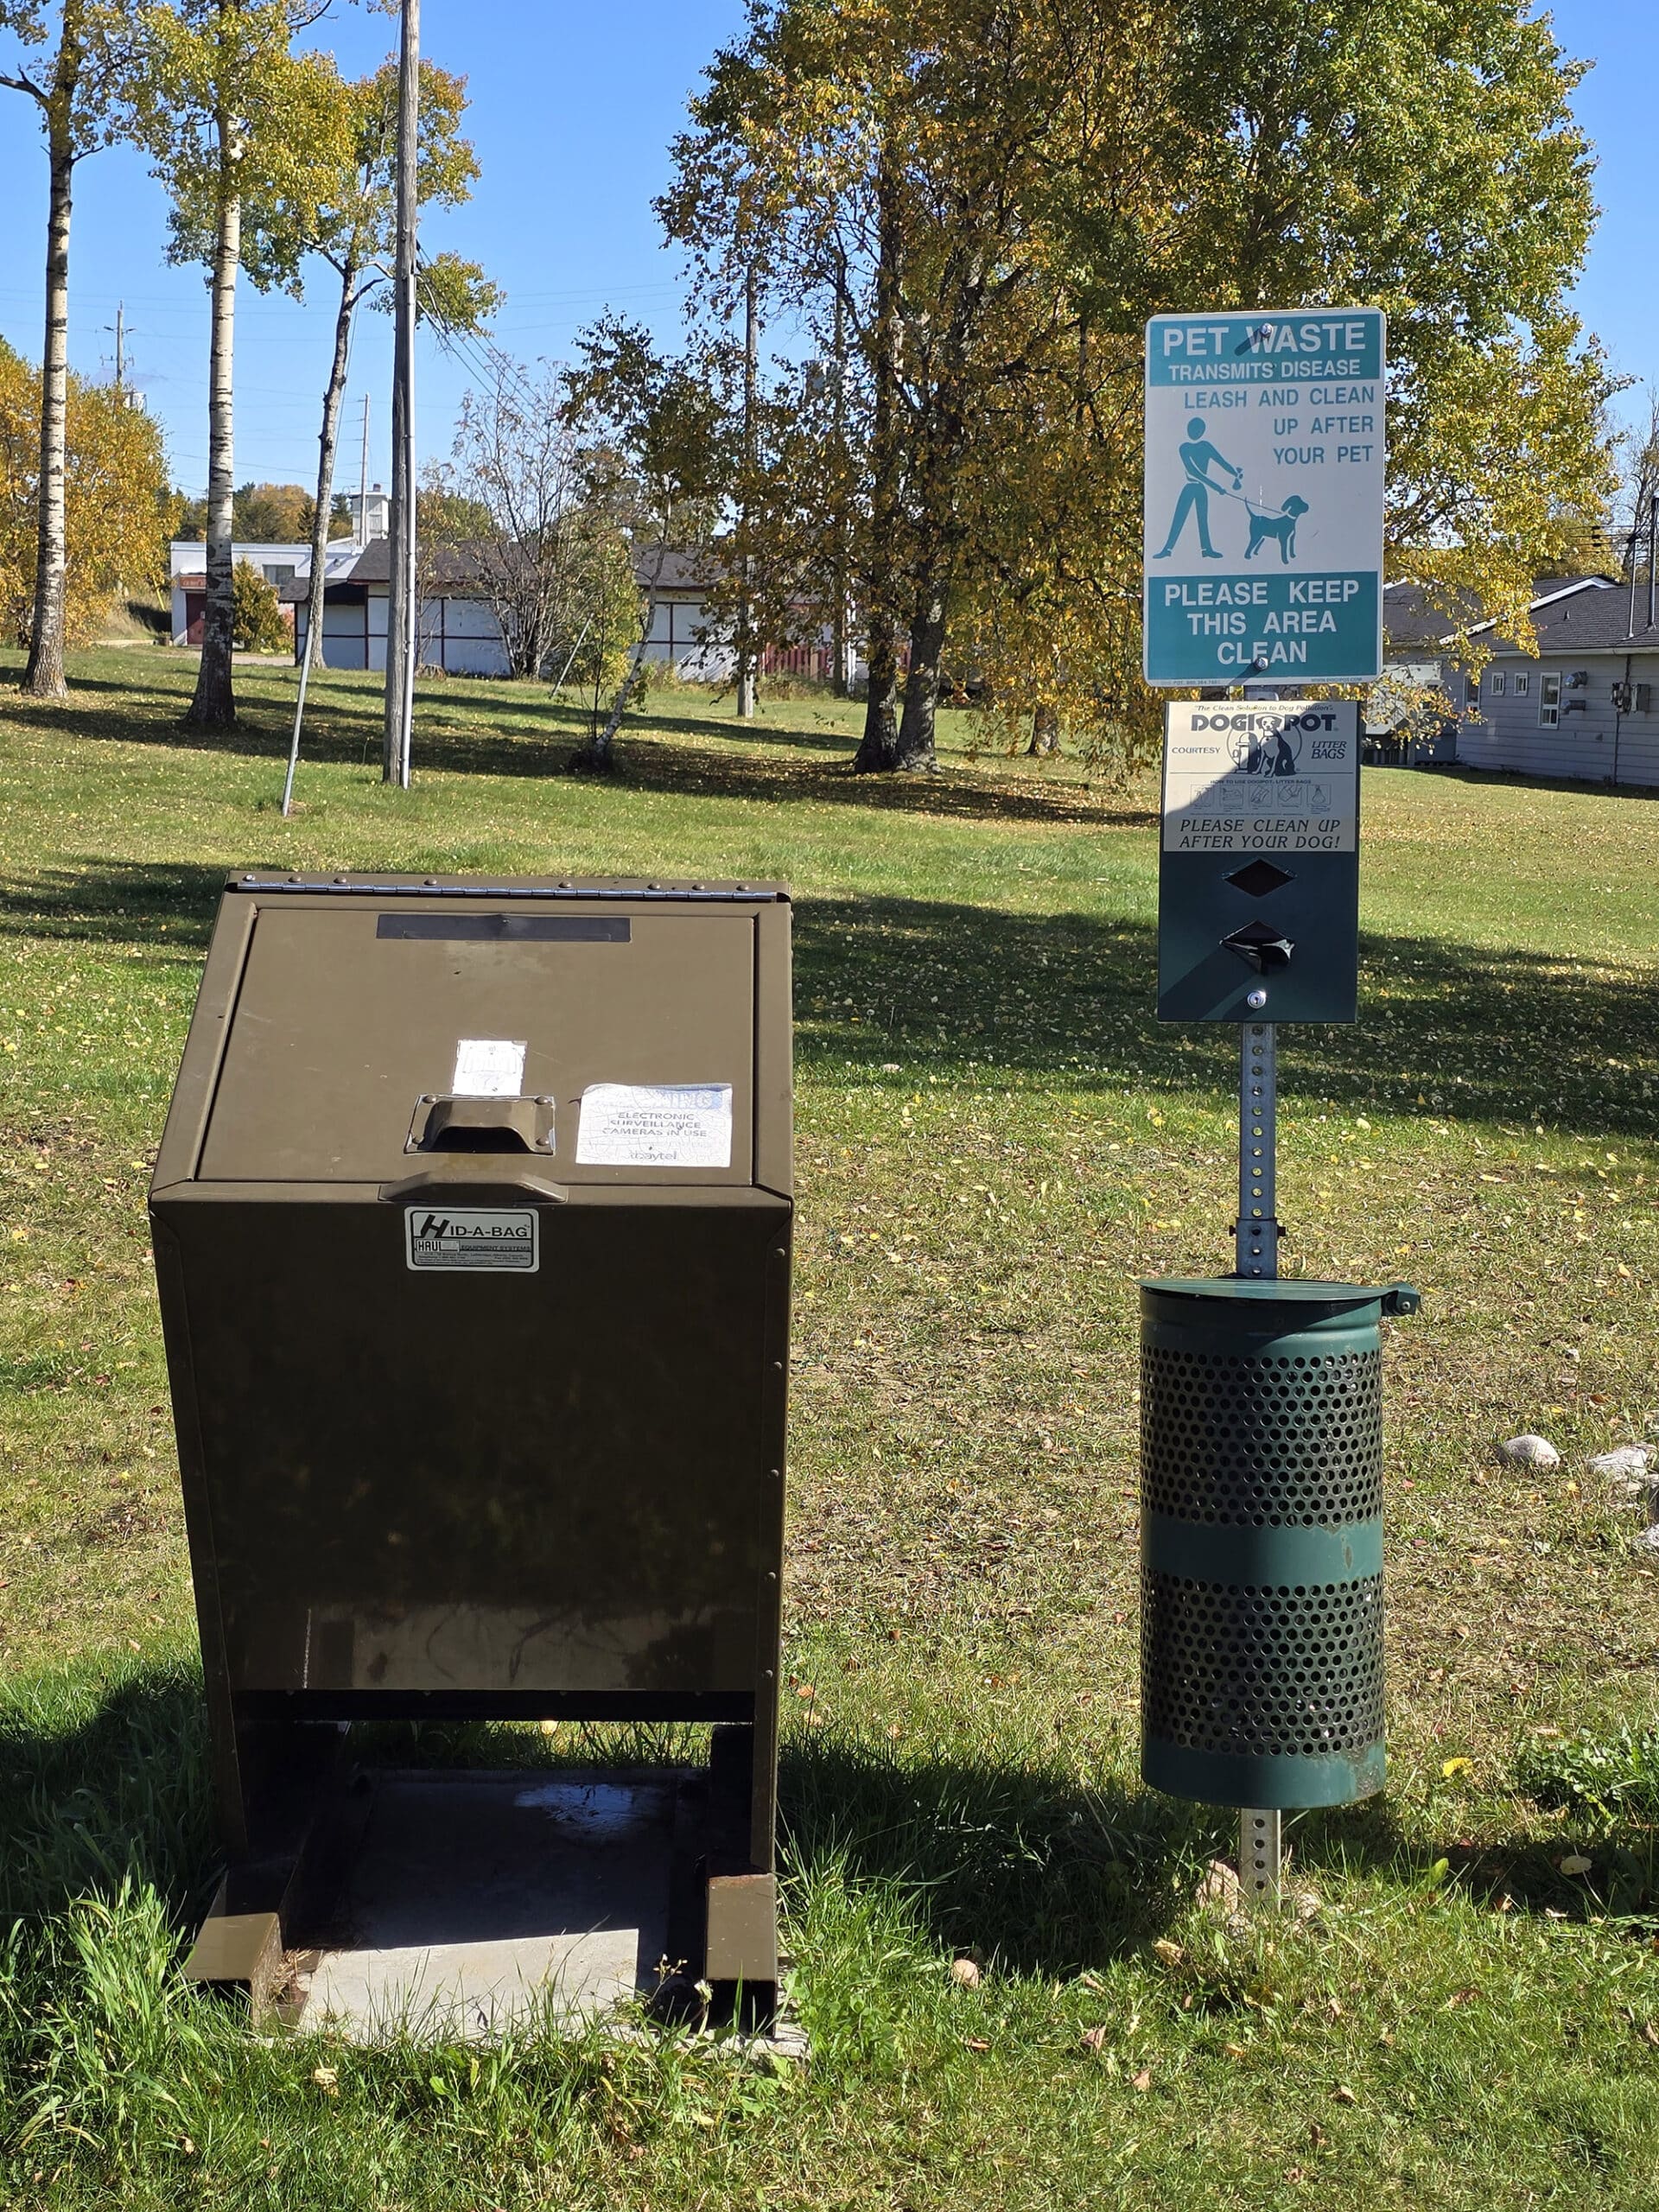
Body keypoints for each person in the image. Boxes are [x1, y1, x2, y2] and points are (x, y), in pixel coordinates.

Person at [1154, 419, 1243, 559]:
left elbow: (1222, 462)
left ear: (1202, 432)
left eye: (1197, 430)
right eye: (1192, 428)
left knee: (1202, 519)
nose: (1194, 432)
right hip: (1189, 487)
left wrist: (1235, 473)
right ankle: (1167, 549)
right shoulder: (1184, 447)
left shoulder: (1206, 446)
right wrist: (1216, 486)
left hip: (1201, 489)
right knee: (1179, 518)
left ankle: (1206, 549)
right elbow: (1194, 472)